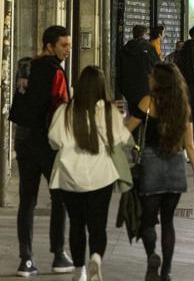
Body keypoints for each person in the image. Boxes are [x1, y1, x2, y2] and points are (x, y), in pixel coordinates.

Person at [48, 66, 131, 281]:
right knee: (98, 224)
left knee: (77, 224)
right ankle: (95, 257)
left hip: (69, 177)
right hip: (101, 175)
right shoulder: (110, 112)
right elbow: (122, 139)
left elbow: (54, 141)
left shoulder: (64, 111)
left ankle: (80, 271)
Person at [126, 64, 194, 281]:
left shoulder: (148, 102)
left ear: (158, 81)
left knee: (147, 221)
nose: (149, 78)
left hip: (151, 165)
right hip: (176, 166)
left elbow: (126, 130)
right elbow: (190, 146)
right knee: (168, 221)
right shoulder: (184, 107)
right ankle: (167, 272)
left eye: (152, 75)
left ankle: (153, 255)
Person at [9, 26, 74, 277]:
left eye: (68, 45)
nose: (67, 50)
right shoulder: (56, 71)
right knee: (60, 196)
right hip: (47, 143)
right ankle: (59, 254)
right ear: (49, 46)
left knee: (27, 199)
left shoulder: (25, 65)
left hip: (24, 141)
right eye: (63, 46)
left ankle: (26, 260)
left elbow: (21, 101)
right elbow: (61, 107)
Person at [117, 25, 160, 115]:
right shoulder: (149, 48)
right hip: (145, 89)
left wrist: (123, 88)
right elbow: (156, 67)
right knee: (145, 118)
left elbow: (119, 70)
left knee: (133, 115)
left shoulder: (125, 49)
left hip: (129, 91)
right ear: (144, 34)